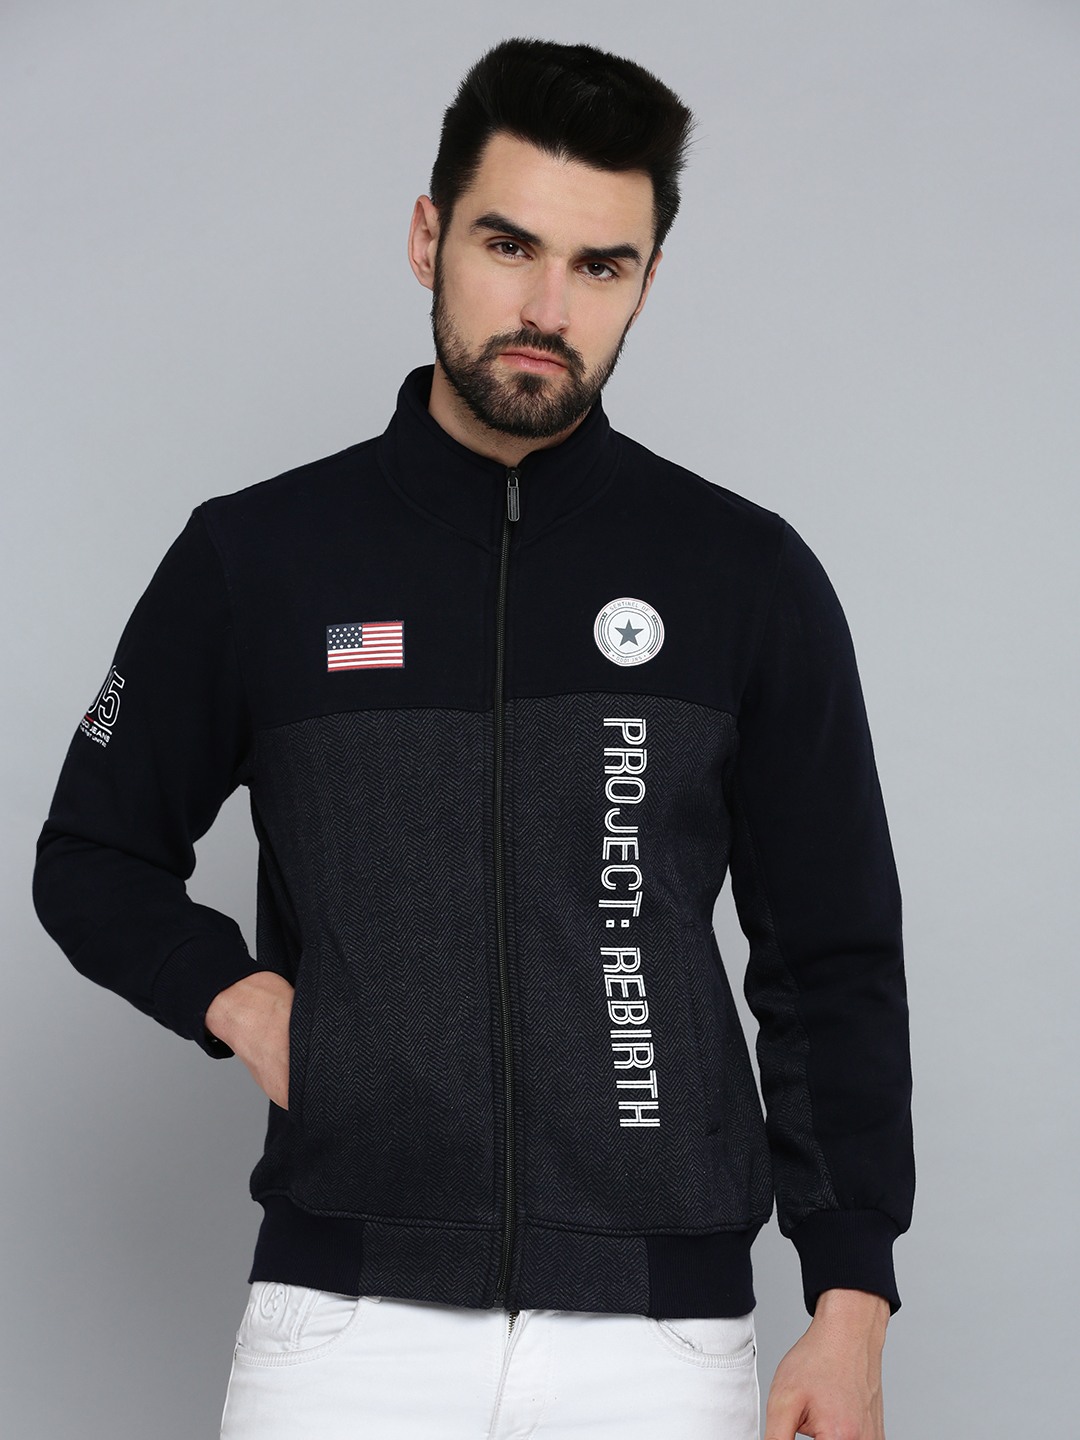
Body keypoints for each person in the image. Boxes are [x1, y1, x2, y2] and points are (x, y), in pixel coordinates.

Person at [32, 36, 914, 1440]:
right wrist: (242, 999)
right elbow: (91, 854)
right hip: (343, 1329)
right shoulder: (260, 559)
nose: (547, 308)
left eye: (600, 267)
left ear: (645, 283)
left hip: (661, 1340)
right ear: (427, 236)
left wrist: (850, 1300)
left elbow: (832, 954)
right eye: (510, 246)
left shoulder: (743, 575)